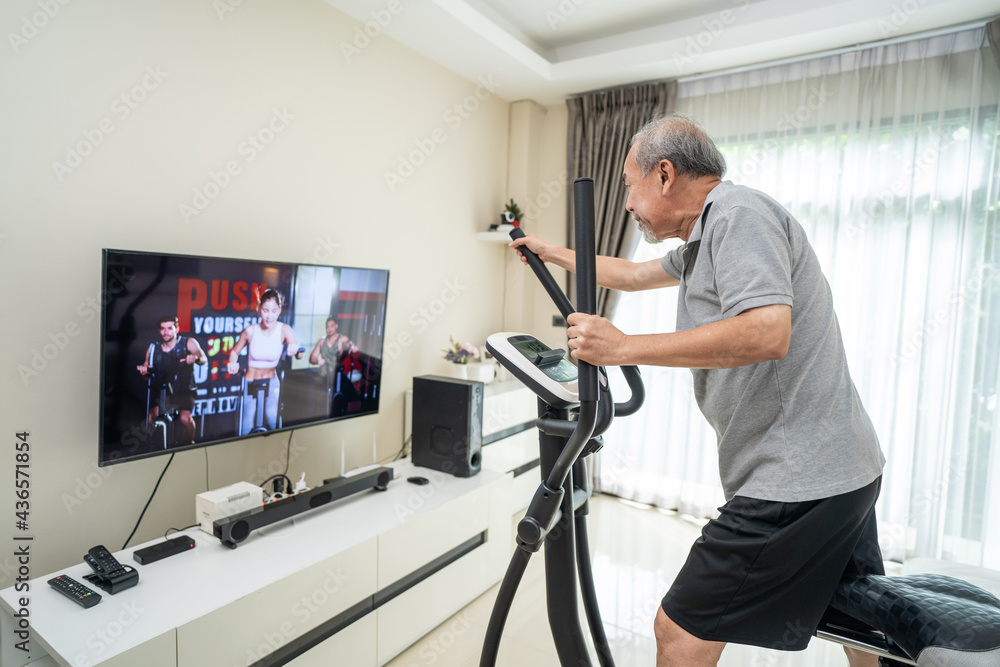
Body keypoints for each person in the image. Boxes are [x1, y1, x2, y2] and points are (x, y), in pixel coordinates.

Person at [511, 113, 886, 667]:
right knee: (860, 619)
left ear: (664, 175)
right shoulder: (705, 235)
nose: (628, 205)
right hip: (846, 465)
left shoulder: (739, 214)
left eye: (628, 186)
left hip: (797, 475)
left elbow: (766, 330)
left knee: (680, 630)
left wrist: (622, 347)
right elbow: (634, 275)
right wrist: (554, 254)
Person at [227, 289, 303, 435]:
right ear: (258, 308)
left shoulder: (284, 330)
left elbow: (299, 354)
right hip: (250, 381)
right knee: (246, 425)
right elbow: (234, 352)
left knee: (273, 420)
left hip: (272, 382)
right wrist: (232, 363)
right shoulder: (250, 331)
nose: (269, 316)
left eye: (274, 311)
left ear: (280, 310)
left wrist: (296, 350)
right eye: (266, 310)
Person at [136, 314, 207, 446]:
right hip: (163, 392)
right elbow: (144, 376)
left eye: (169, 328)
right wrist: (143, 371)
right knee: (151, 417)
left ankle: (188, 444)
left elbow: (203, 359)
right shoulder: (153, 348)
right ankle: (149, 449)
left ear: (177, 329)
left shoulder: (188, 342)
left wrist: (195, 359)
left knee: (185, 419)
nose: (166, 332)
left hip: (185, 390)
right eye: (163, 329)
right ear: (159, 331)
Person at [309, 315, 359, 383]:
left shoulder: (342, 339)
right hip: (323, 376)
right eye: (327, 327)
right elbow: (312, 357)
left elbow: (349, 344)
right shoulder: (321, 341)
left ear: (336, 326)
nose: (329, 329)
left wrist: (353, 346)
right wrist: (317, 361)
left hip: (337, 375)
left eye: (332, 326)